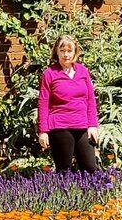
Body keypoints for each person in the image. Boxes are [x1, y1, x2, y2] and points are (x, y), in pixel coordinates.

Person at [37, 35, 99, 173]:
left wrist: (93, 125)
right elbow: (43, 102)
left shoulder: (83, 71)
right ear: (56, 52)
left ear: (75, 52)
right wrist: (43, 131)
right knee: (64, 170)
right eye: (62, 50)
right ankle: (63, 194)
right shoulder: (49, 73)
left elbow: (90, 99)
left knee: (90, 169)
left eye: (69, 51)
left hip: (82, 126)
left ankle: (89, 195)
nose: (66, 54)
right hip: (60, 126)